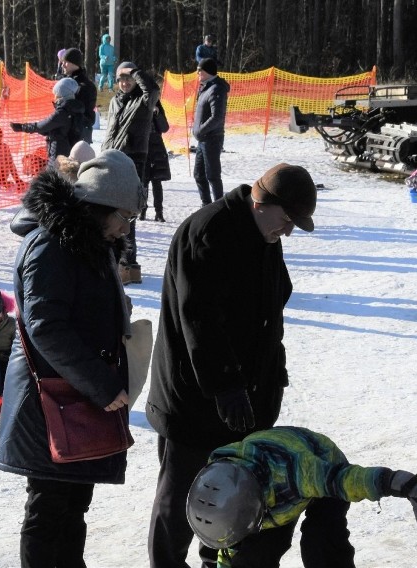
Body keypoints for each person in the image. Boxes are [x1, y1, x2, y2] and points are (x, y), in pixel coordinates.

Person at [146, 163, 320, 568]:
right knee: (182, 496)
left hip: (245, 398)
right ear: (262, 203)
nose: (289, 231)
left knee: (232, 493)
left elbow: (273, 301)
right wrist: (226, 386)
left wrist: (270, 371)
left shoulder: (263, 233)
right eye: (288, 220)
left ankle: (216, 561)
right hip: (194, 400)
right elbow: (199, 321)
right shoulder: (209, 233)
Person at [0, 149, 145, 567]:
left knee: (74, 500)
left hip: (72, 395)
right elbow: (47, 326)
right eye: (126, 217)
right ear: (102, 207)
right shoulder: (51, 244)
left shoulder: (87, 241)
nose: (126, 229)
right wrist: (101, 382)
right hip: (49, 399)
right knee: (49, 506)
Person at [186, 426, 417, 568]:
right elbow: (228, 549)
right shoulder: (215, 483)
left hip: (321, 464)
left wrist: (403, 484)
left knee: (322, 546)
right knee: (253, 558)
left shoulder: (301, 474)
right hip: (262, 496)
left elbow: (349, 479)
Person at [101, 61, 160, 285]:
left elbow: (152, 89)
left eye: (129, 79)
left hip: (134, 159)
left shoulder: (144, 100)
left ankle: (128, 265)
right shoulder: (116, 100)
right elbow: (110, 131)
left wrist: (134, 70)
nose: (125, 83)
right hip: (112, 158)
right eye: (121, 79)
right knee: (111, 211)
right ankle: (119, 262)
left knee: (128, 213)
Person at [10, 77, 84, 166]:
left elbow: (42, 126)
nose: (54, 96)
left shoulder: (62, 113)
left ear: (62, 94)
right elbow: (51, 129)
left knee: (52, 177)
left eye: (56, 93)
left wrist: (22, 127)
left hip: (58, 155)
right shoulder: (75, 109)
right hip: (69, 152)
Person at [192, 57, 230, 206]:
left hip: (212, 138)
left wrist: (200, 130)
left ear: (208, 71)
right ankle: (206, 205)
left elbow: (217, 117)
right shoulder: (205, 87)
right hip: (202, 139)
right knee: (199, 174)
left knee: (213, 175)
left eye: (200, 70)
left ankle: (219, 206)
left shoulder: (217, 88)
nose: (198, 73)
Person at [140, 100, 171, 222]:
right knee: (143, 181)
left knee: (157, 182)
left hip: (156, 148)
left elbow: (164, 128)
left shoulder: (156, 104)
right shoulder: (138, 102)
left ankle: (159, 212)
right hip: (142, 147)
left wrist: (158, 114)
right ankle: (142, 210)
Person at [61, 48, 98, 144]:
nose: (63, 65)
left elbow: (85, 114)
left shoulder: (85, 86)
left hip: (78, 137)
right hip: (67, 134)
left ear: (74, 63)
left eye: (66, 62)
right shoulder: (68, 82)